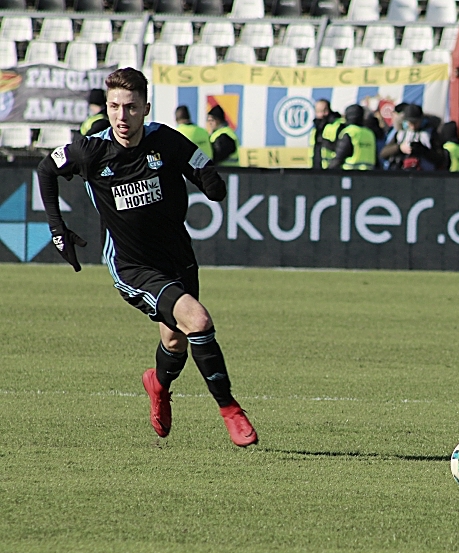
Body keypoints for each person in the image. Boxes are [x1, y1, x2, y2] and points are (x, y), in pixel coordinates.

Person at [36, 67, 258, 447]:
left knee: (176, 343)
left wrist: (211, 181)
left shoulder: (165, 140)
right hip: (133, 266)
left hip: (178, 258)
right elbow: (46, 169)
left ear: (146, 108)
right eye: (114, 107)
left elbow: (199, 161)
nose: (122, 117)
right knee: (198, 320)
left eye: (131, 107)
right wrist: (57, 229)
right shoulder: (91, 149)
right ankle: (230, 411)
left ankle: (157, 384)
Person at [379, 103, 446, 171]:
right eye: (410, 123)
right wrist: (400, 148)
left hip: (425, 174)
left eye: (416, 122)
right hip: (402, 172)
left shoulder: (430, 133)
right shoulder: (400, 133)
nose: (413, 126)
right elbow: (383, 153)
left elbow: (440, 158)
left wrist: (422, 149)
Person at [328, 104, 376, 170]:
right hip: (369, 176)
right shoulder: (369, 133)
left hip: (350, 175)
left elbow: (339, 157)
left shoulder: (350, 132)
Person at [309, 99, 343, 170]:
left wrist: (325, 142)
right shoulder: (315, 129)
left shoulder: (337, 125)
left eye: (324, 111)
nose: (322, 114)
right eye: (318, 111)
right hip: (316, 168)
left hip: (332, 169)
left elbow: (341, 148)